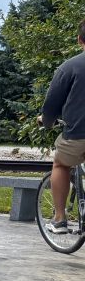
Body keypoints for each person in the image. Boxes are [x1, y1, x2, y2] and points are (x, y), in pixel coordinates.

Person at [42, 18, 85, 233]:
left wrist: (47, 122)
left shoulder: (70, 67)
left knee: (60, 165)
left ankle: (59, 219)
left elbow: (51, 104)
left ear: (80, 40)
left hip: (77, 132)